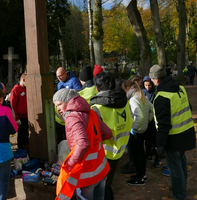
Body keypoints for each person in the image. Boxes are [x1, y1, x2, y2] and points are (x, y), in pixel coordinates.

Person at [53, 88, 112, 200]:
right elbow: (108, 133)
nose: (58, 109)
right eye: (56, 106)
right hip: (100, 168)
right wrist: (94, 143)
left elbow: (83, 144)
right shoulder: (92, 112)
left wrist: (70, 163)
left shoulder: (72, 117)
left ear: (68, 101)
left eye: (59, 104)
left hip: (85, 174)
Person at [149, 65, 196, 200]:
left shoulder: (161, 98)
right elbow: (189, 107)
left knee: (175, 169)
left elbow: (164, 126)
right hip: (186, 133)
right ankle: (182, 188)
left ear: (157, 80)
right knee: (181, 161)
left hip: (173, 138)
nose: (151, 82)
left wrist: (160, 146)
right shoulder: (180, 89)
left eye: (152, 79)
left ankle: (179, 195)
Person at [90, 72, 133, 200]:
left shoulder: (96, 108)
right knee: (107, 185)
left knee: (102, 188)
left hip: (103, 154)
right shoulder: (124, 102)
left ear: (96, 88)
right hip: (119, 148)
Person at [122, 80, 153, 186]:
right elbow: (151, 108)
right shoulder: (141, 96)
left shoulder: (133, 99)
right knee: (141, 153)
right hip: (143, 129)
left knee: (137, 155)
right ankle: (142, 175)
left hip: (137, 132)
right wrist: (147, 122)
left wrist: (134, 129)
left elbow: (139, 116)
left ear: (127, 88)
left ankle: (140, 178)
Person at [142, 76, 160, 167]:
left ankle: (157, 157)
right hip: (146, 120)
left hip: (153, 120)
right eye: (146, 85)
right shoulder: (143, 92)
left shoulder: (155, 93)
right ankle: (149, 154)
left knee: (155, 140)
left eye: (149, 85)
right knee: (147, 139)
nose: (148, 87)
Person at [10, 73, 28, 150]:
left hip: (28, 116)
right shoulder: (15, 90)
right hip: (21, 117)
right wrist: (16, 118)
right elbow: (13, 105)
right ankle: (21, 151)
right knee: (21, 135)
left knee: (28, 135)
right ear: (23, 80)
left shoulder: (27, 88)